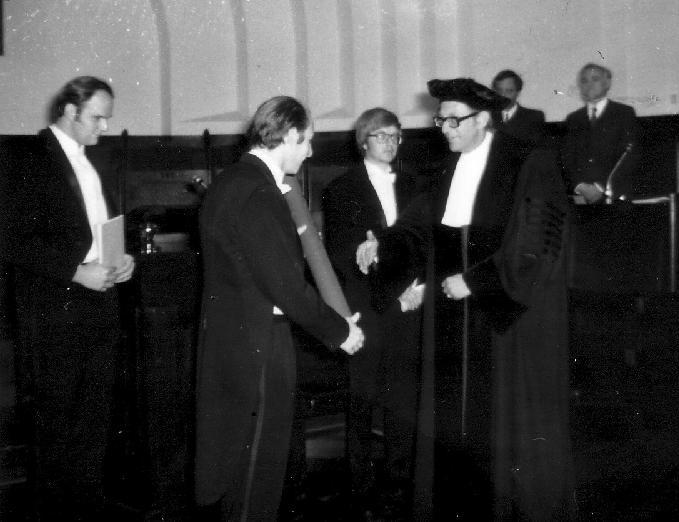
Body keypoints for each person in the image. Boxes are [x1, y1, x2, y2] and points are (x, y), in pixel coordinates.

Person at [356, 78, 575, 520]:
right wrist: (382, 245)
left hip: (505, 319)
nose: (446, 130)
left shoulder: (527, 160)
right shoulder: (446, 167)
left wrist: (478, 281)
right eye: (441, 120)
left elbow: (537, 242)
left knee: (503, 426)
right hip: (453, 317)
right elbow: (418, 228)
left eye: (455, 121)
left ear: (483, 119)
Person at [194, 95, 364, 521]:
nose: (310, 151)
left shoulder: (230, 182)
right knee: (258, 474)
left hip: (232, 343)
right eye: (306, 141)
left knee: (239, 468)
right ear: (289, 135)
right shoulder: (260, 192)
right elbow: (286, 286)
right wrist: (341, 331)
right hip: (261, 349)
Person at [0, 76, 135, 520]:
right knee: (55, 420)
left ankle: (86, 504)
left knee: (94, 414)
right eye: (97, 118)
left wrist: (120, 258)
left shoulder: (92, 161)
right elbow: (12, 239)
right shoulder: (26, 158)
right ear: (70, 111)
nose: (105, 127)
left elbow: (98, 227)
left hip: (99, 301)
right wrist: (77, 271)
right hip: (55, 308)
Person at [322, 108, 424, 518]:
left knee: (403, 394)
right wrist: (371, 260)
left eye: (395, 136)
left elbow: (424, 241)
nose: (389, 143)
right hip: (366, 304)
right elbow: (339, 252)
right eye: (380, 136)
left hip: (409, 302)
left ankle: (399, 477)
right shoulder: (341, 188)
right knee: (362, 396)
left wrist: (417, 286)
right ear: (363, 141)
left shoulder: (415, 184)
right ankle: (360, 481)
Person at [561, 63, 641, 204]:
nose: (589, 84)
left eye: (595, 79)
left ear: (607, 83)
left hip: (614, 195)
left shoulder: (624, 113)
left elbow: (630, 156)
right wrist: (579, 186)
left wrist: (600, 187)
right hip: (580, 197)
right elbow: (566, 159)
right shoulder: (573, 119)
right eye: (584, 81)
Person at [491, 69, 546, 148]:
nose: (503, 95)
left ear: (518, 92)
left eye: (509, 91)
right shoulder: (486, 116)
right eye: (499, 91)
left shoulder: (534, 117)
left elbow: (536, 149)